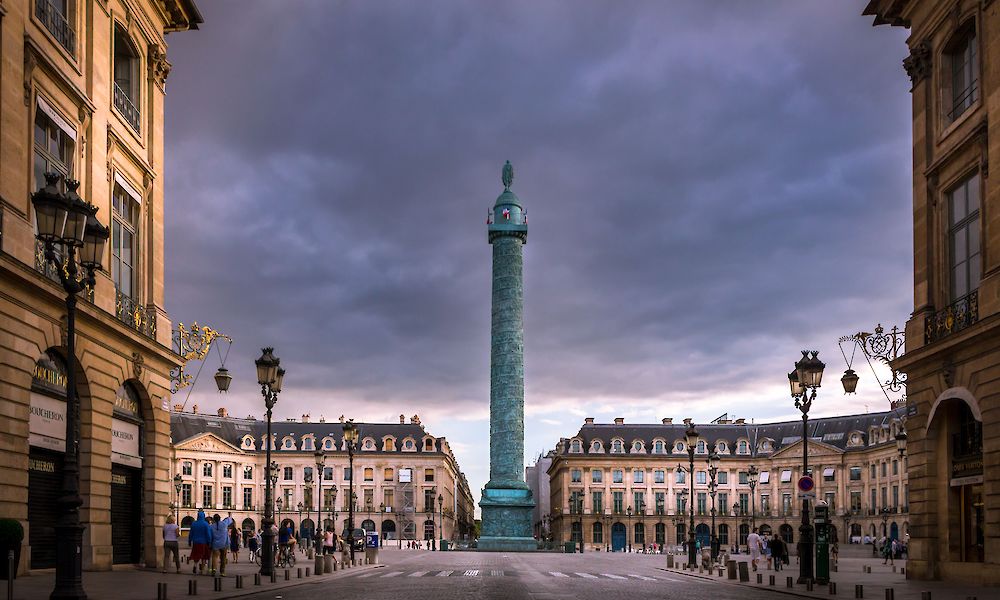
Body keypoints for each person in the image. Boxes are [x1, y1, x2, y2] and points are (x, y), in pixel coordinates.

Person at [188, 510, 211, 575]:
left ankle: (195, 565)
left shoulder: (194, 523)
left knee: (196, 555)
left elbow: (191, 533)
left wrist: (189, 540)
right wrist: (209, 541)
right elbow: (208, 534)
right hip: (204, 542)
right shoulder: (205, 524)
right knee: (204, 556)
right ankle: (202, 569)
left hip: (195, 542)